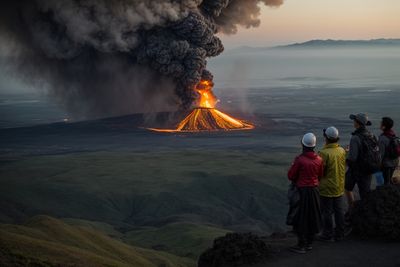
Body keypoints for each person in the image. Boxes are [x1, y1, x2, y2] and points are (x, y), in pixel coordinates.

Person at [288, 133, 324, 254]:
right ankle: (309, 243)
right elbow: (320, 175)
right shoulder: (319, 159)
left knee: (300, 217)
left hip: (302, 191)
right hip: (314, 191)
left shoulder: (300, 160)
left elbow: (291, 175)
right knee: (312, 216)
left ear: (303, 144)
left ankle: (301, 244)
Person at [318, 127, 346, 242]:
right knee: (339, 210)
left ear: (326, 138)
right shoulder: (341, 150)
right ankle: (340, 233)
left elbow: (320, 172)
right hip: (339, 186)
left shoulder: (323, 153)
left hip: (327, 187)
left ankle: (327, 234)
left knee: (327, 211)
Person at [345, 113, 379, 207]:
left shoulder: (355, 138)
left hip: (357, 170)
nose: (353, 122)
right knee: (365, 193)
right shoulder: (372, 135)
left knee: (347, 187)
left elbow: (352, 158)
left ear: (357, 123)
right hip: (369, 168)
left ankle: (352, 209)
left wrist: (346, 156)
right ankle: (366, 213)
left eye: (354, 120)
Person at [379, 117, 399, 184]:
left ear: (384, 127)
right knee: (390, 179)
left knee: (386, 182)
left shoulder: (382, 138)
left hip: (386, 164)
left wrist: (378, 164)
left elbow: (381, 154)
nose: (380, 124)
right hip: (395, 161)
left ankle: (389, 193)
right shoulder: (393, 135)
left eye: (381, 123)